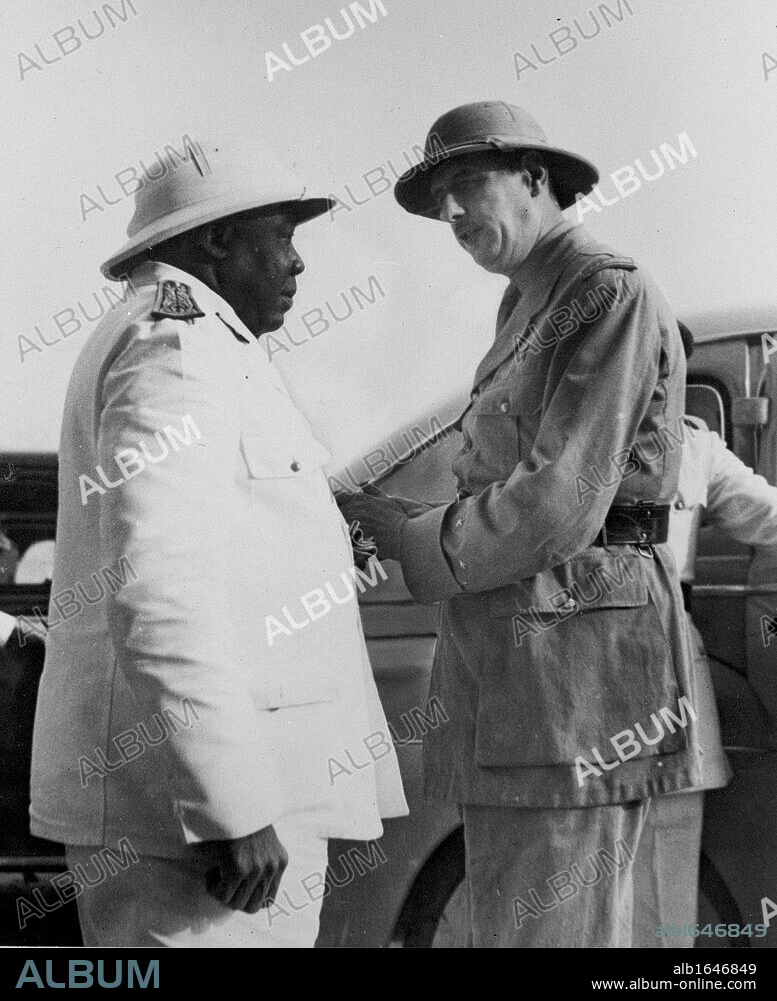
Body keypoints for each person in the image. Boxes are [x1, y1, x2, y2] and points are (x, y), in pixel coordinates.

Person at [338, 100, 704, 947]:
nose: (453, 214)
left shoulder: (603, 287)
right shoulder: (530, 298)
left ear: (536, 178)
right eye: (440, 203)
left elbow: (555, 506)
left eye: (468, 184)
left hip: (576, 678)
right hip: (530, 675)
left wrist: (407, 533)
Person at [30, 138, 407, 948]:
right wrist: (231, 802)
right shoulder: (177, 345)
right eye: (284, 235)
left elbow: (212, 553)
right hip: (197, 829)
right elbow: (158, 585)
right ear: (216, 239)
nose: (297, 264)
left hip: (207, 814)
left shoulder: (204, 347)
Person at [635, 323, 777, 945]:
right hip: (571, 667)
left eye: (669, 368)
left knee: (668, 864)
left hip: (667, 663)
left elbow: (767, 515)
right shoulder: (558, 447)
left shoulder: (694, 448)